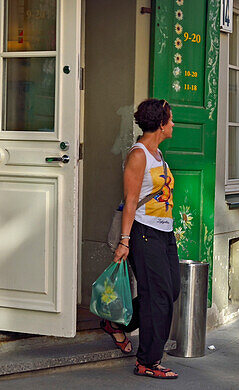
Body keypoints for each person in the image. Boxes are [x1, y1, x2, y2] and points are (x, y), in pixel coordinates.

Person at [105, 99, 181, 380]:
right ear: (161, 124)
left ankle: (116, 322)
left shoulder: (158, 154)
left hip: (164, 232)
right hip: (144, 233)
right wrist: (124, 241)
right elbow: (131, 200)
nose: (173, 124)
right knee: (157, 297)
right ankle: (147, 361)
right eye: (170, 119)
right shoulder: (139, 155)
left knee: (170, 291)